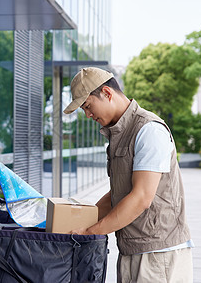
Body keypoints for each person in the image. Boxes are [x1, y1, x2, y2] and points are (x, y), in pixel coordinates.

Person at [64, 67, 193, 282]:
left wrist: (90, 233)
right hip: (132, 251)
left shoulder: (149, 130)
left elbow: (141, 198)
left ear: (107, 93)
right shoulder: (119, 133)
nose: (87, 115)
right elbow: (119, 194)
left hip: (158, 255)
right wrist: (78, 222)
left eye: (87, 106)